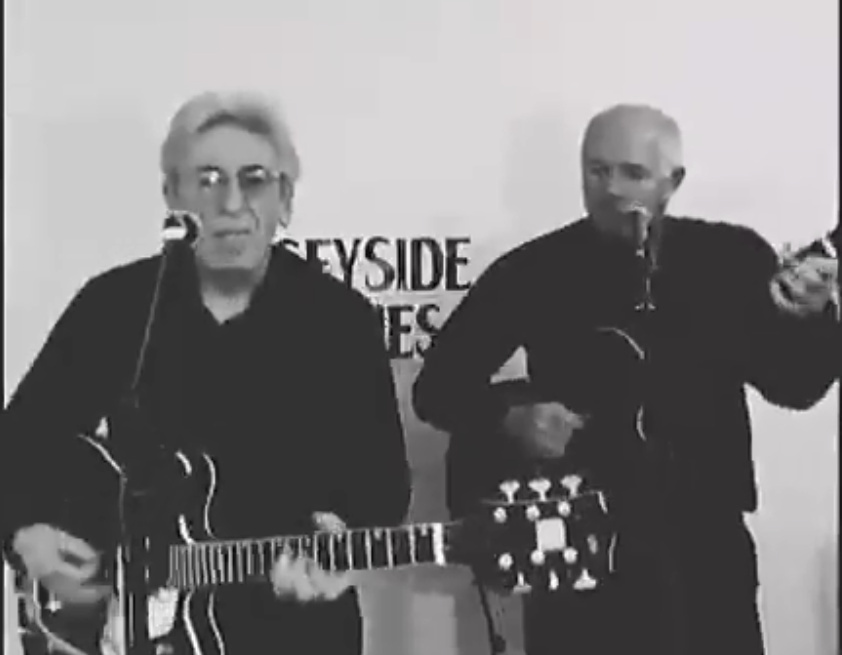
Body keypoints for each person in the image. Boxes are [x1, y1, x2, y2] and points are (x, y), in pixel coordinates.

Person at [412, 104, 838, 655]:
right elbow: (437, 389)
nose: (611, 188)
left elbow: (796, 388)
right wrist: (510, 417)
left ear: (672, 181)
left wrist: (815, 319)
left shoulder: (732, 257)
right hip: (577, 558)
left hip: (707, 559)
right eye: (597, 170)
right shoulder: (532, 270)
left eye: (632, 173)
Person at [2, 90, 412, 655]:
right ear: (173, 197)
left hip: (294, 634)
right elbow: (19, 444)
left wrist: (339, 542)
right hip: (129, 635)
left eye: (255, 181)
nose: (231, 203)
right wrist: (27, 534)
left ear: (286, 200)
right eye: (208, 180)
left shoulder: (340, 321)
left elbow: (382, 486)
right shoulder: (114, 306)